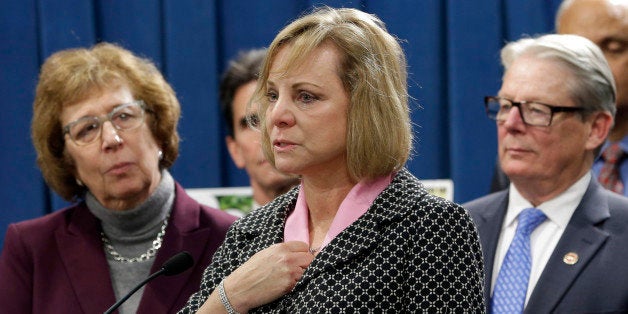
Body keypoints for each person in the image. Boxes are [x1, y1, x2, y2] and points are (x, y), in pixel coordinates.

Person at [179, 7, 485, 313]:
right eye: (272, 95)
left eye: (306, 97)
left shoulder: (431, 227)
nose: (277, 115)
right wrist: (228, 299)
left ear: (366, 107)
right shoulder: (249, 233)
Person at [0, 43, 237, 313]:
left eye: (124, 116)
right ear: (68, 161)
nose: (111, 139)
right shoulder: (32, 249)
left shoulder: (230, 239)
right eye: (87, 129)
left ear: (157, 129)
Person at [465, 34, 628, 313]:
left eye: (537, 110)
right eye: (505, 106)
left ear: (596, 128)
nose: (512, 124)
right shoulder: (456, 227)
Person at [490, 0, 628, 195]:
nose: (593, 65)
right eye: (575, 55)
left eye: (614, 48)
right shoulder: (526, 154)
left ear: (598, 127)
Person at [219, 48, 299, 211]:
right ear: (235, 150)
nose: (268, 133)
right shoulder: (228, 236)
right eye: (251, 122)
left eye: (278, 116)